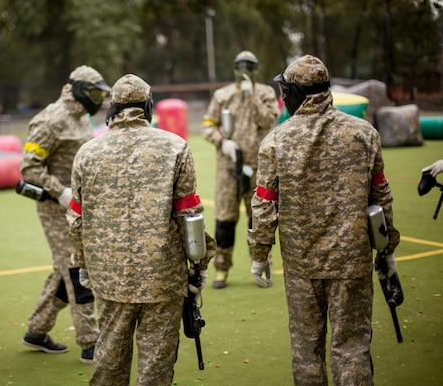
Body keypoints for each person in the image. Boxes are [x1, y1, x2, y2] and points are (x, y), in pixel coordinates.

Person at [247, 55, 400, 386]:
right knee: (353, 350)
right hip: (352, 262)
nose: (282, 97)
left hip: (302, 266)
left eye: (285, 91)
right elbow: (381, 196)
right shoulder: (363, 134)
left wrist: (259, 254)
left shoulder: (276, 140)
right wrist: (388, 250)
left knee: (306, 352)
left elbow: (264, 205)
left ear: (297, 93)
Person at [67, 73, 216, 386]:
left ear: (113, 108)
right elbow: (189, 215)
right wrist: (199, 266)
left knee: (108, 364)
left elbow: (77, 218)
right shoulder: (175, 146)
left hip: (109, 278)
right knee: (156, 370)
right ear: (148, 106)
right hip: (163, 278)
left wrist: (81, 263)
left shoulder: (88, 153)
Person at [20, 65, 109, 364]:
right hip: (56, 209)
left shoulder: (82, 116)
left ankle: (36, 331)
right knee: (77, 269)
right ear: (79, 90)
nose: (98, 99)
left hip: (80, 206)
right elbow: (29, 166)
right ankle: (90, 343)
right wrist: (60, 192)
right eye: (95, 92)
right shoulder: (51, 120)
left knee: (64, 270)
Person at [201, 50, 280, 289]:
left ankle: (261, 265)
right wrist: (222, 142)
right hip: (228, 168)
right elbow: (208, 125)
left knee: (258, 219)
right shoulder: (222, 95)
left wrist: (252, 97)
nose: (245, 71)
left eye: (250, 66)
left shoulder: (266, 93)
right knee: (225, 219)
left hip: (259, 167)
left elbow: (269, 121)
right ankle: (221, 269)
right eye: (240, 66)